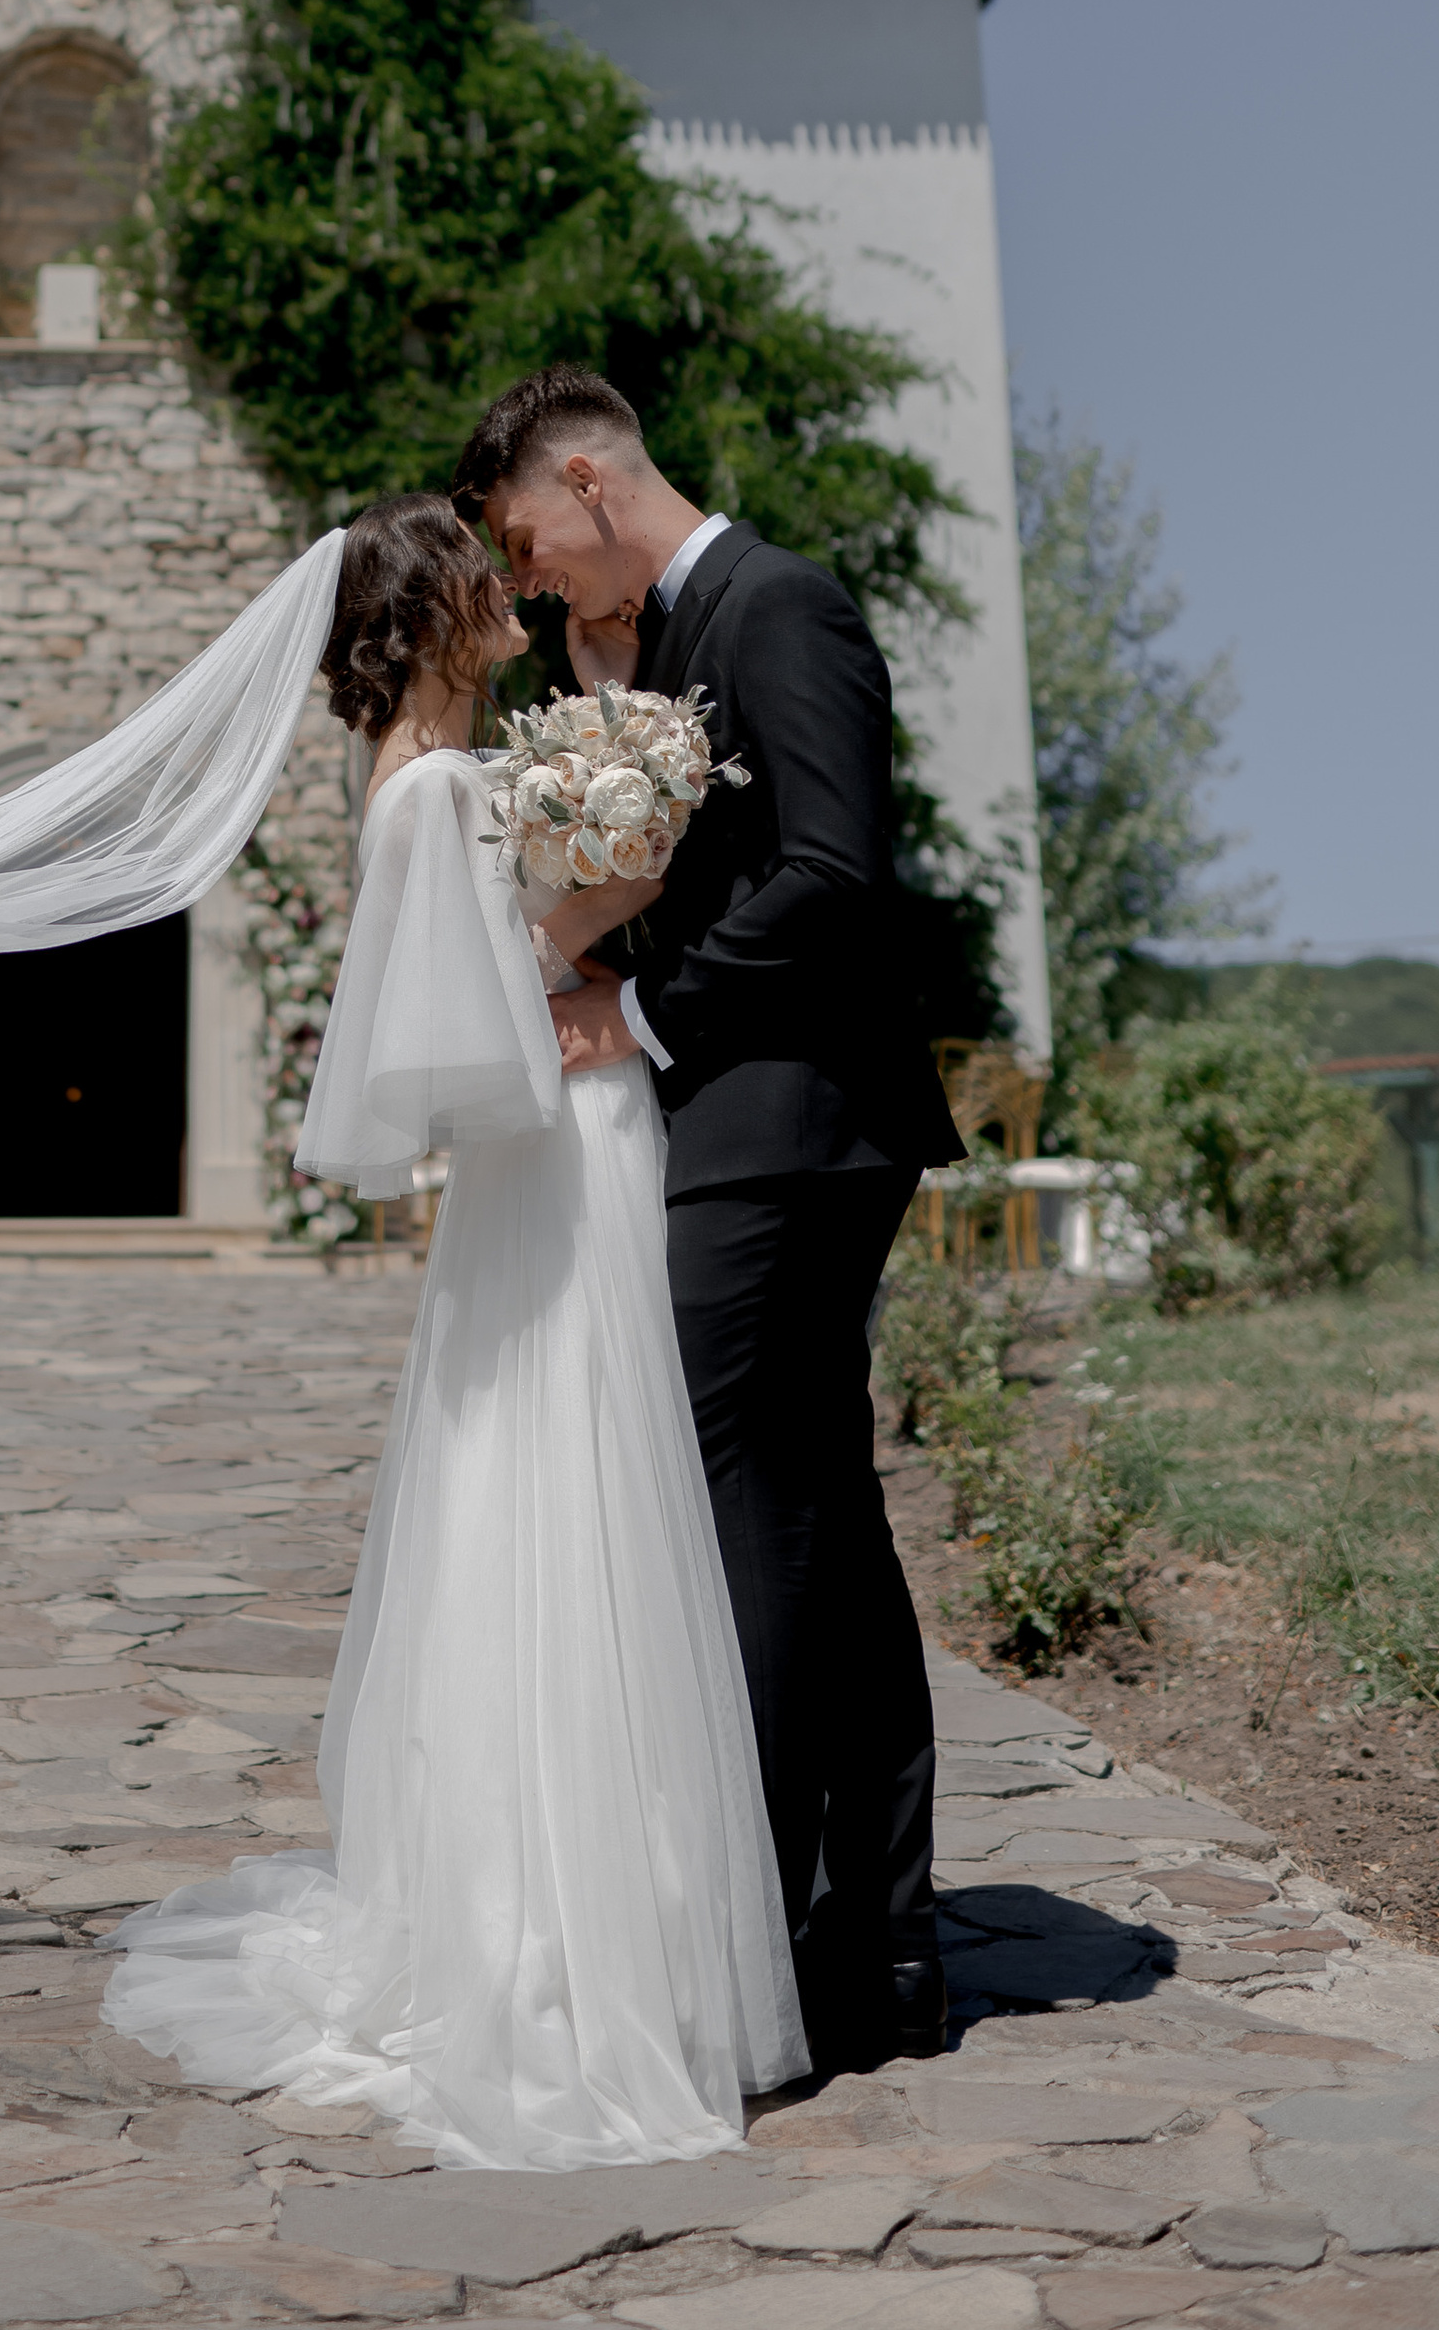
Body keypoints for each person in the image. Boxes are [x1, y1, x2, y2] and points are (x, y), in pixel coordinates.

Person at [101, 493, 801, 2165]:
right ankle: (543, 1939)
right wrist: (615, 889)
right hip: (554, 1163)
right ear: (429, 615)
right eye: (486, 582)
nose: (514, 597)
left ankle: (622, 1918)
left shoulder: (455, 781)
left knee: (590, 1512)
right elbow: (452, 1047)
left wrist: (597, 861)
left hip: (576, 1161)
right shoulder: (431, 796)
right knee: (563, 1512)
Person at [452, 365, 968, 2077]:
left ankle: (740, 1931)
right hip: (750, 1128)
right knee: (815, 1515)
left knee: (736, 1508)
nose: (529, 583)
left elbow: (836, 872)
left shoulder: (783, 606)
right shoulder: (662, 641)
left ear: (591, 480)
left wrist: (640, 1004)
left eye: (530, 541)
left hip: (797, 1130)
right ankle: (869, 1952)